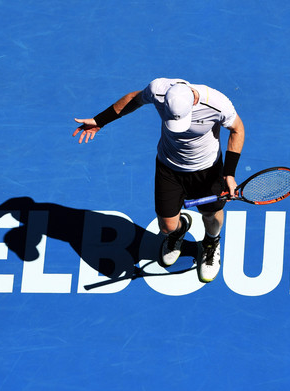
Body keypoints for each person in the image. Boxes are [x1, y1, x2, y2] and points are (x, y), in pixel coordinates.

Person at [73, 78, 245, 283]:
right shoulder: (158, 90)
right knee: (167, 227)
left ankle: (211, 243)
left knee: (211, 215)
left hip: (206, 170)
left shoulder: (217, 104)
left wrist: (229, 174)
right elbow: (133, 99)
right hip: (168, 168)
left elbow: (237, 129)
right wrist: (101, 120)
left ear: (192, 104)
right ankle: (180, 231)